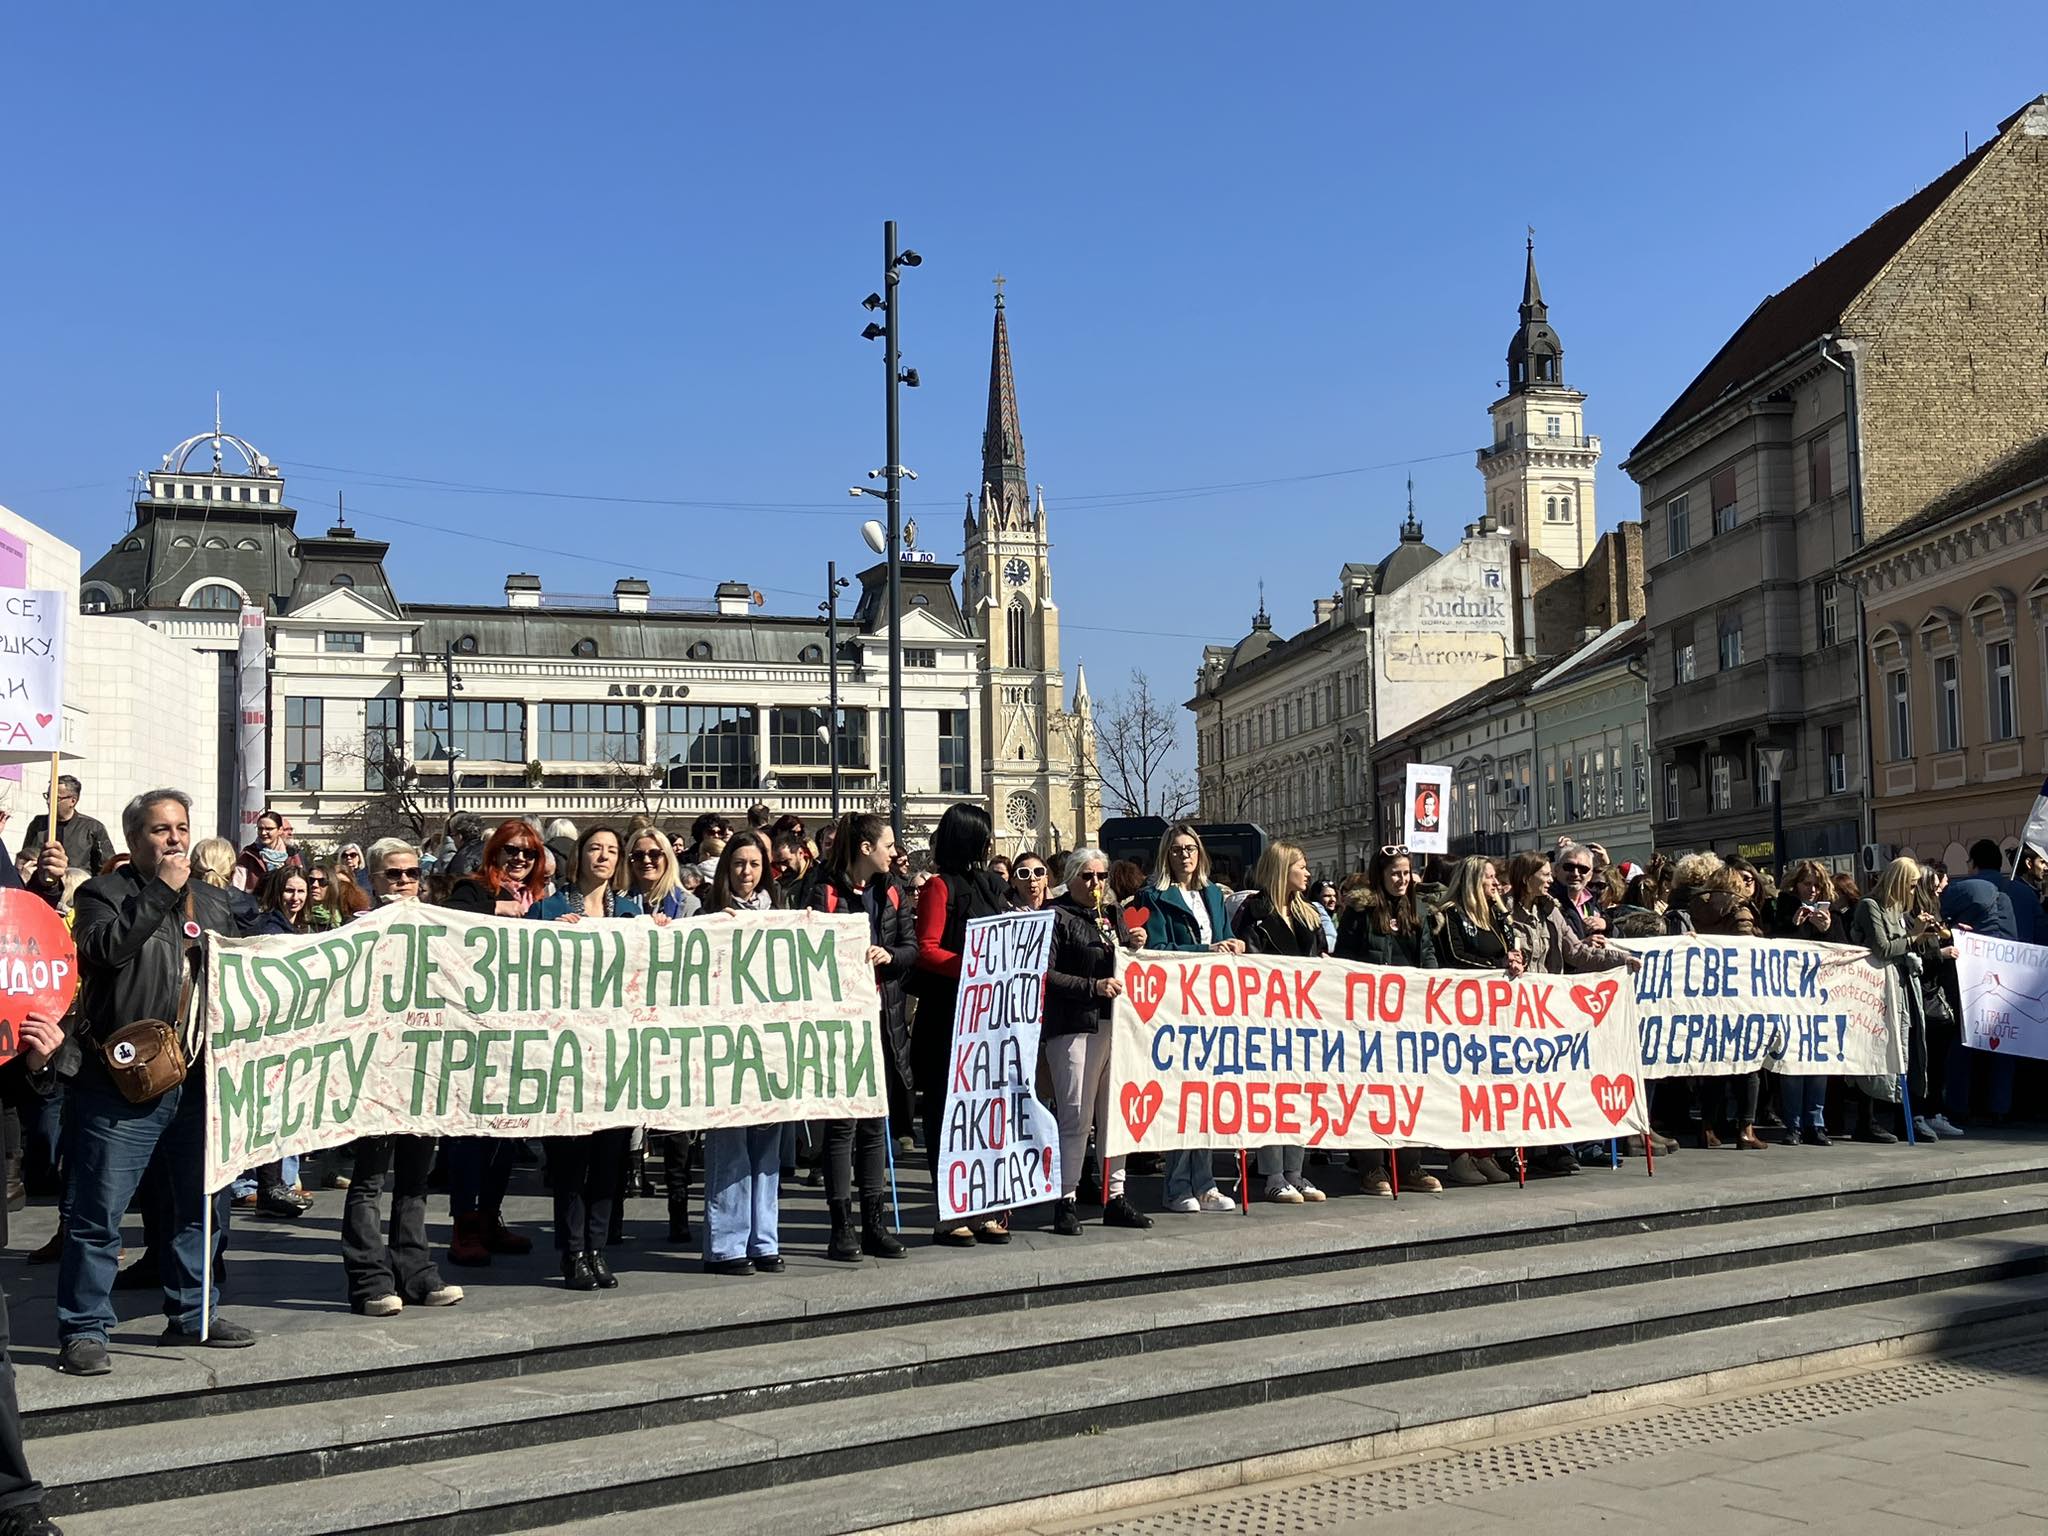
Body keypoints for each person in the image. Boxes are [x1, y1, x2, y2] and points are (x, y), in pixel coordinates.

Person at [58, 789, 255, 1375]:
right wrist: (163, 892)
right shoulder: (103, 894)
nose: (174, 838)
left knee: (200, 1205)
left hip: (195, 1080)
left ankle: (194, 1310)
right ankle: (85, 1330)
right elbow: (105, 951)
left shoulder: (213, 903)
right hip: (121, 1082)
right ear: (133, 840)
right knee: (99, 1213)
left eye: (181, 828)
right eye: (159, 829)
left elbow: (250, 968)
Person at [337, 839, 465, 1317]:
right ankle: (369, 1280)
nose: (405, 882)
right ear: (372, 879)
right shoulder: (354, 932)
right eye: (394, 874)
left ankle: (416, 1272)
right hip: (372, 1074)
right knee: (369, 1180)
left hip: (423, 1069)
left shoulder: (440, 931)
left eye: (412, 873)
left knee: (415, 1179)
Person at [529, 827, 640, 1289]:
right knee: (572, 1163)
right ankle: (572, 1252)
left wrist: (656, 936)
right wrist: (547, 937)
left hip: (616, 1056)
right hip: (567, 1056)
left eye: (612, 851)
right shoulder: (550, 910)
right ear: (579, 856)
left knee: (609, 1161)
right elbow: (523, 965)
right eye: (596, 848)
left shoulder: (632, 912)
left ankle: (597, 1248)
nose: (604, 856)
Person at [436, 820, 549, 1266]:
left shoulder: (538, 900)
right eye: (511, 852)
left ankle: (489, 1217)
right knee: (471, 1133)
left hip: (518, 1030)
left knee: (506, 1131)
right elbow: (445, 929)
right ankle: (463, 1224)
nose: (519, 860)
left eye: (528, 854)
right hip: (472, 1030)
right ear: (494, 855)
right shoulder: (473, 891)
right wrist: (494, 914)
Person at [808, 813, 913, 1261]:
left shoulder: (892, 890)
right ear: (866, 849)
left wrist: (888, 954)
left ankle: (875, 1221)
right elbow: (807, 948)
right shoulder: (823, 890)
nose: (895, 853)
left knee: (874, 1124)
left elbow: (910, 948)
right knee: (841, 1125)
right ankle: (840, 1226)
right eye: (889, 845)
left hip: (882, 1017)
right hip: (838, 1022)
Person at [912, 803, 1014, 1245]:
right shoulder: (939, 887)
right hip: (949, 1015)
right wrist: (975, 967)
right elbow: (928, 948)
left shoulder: (993, 884)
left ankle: (986, 1206)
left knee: (987, 1114)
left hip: (990, 1020)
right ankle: (950, 1210)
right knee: (947, 1116)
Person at [1133, 822, 1244, 1214]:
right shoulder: (1154, 896)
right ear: (1167, 854)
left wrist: (1234, 944)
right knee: (1181, 1096)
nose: (1185, 855)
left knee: (1208, 1095)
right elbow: (1159, 948)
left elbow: (1225, 932)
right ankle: (1178, 1184)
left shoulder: (1213, 893)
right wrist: (1205, 949)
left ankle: (1207, 1182)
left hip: (1213, 1004)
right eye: (1178, 848)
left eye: (1191, 848)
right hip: (1177, 1006)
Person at [1043, 848, 1149, 1235]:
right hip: (1074, 1025)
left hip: (1114, 1026)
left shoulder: (1112, 916)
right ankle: (1065, 1198)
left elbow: (1122, 964)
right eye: (1087, 876)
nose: (1096, 884)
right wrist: (1093, 986)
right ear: (1070, 877)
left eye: (1101, 877)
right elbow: (1045, 975)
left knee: (1115, 1115)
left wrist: (1134, 945)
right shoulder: (1057, 916)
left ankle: (1115, 1195)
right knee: (1075, 1116)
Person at [1333, 846, 1443, 1195]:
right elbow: (1345, 960)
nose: (1402, 879)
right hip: (1368, 1017)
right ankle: (1372, 1166)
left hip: (1408, 1017)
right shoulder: (1360, 911)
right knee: (1371, 1091)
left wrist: (1433, 988)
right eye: (1395, 873)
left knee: (1411, 1090)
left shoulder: (1419, 910)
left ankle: (1410, 1164)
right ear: (1381, 876)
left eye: (1406, 873)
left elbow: (1426, 954)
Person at [700, 830, 785, 1274]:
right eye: (738, 864)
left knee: (767, 1146)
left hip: (770, 1045)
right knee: (730, 1142)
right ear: (725, 869)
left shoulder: (783, 916)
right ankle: (727, 1243)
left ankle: (764, 1240)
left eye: (753, 865)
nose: (746, 872)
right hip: (725, 1045)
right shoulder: (707, 914)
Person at [1233, 841, 1328, 1205]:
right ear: (1282, 869)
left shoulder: (1310, 914)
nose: (1307, 873)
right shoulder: (1253, 912)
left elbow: (1321, 957)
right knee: (1272, 1094)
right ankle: (1273, 1173)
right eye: (1301, 866)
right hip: (1268, 1015)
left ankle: (1295, 1171)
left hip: (1305, 1016)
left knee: (1301, 1094)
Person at [1430, 856, 1518, 1187]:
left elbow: (1508, 947)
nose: (1496, 883)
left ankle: (1485, 1152)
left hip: (1491, 1016)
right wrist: (1496, 965)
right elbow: (1455, 956)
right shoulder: (1449, 914)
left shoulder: (1493, 916)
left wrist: (1511, 958)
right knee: (1463, 1085)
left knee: (1488, 1085)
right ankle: (1460, 1154)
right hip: (1460, 1014)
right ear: (1472, 881)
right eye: (1489, 879)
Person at [1849, 856, 1937, 1145]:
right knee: (1874, 1048)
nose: (1913, 892)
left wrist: (1918, 938)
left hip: (1900, 986)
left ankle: (1904, 1116)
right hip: (1874, 990)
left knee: (1905, 1047)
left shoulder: (1897, 909)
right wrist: (1913, 938)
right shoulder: (1870, 906)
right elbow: (1883, 947)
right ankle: (1867, 1119)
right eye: (1911, 886)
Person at [24, 773, 116, 877]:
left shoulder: (92, 828)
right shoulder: (38, 824)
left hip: (77, 888)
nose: (49, 802)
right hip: (41, 886)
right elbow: (25, 857)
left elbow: (106, 867)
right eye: (48, 796)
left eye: (56, 798)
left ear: (72, 801)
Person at [625, 827, 699, 921]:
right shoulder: (616, 902)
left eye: (655, 854)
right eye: (638, 855)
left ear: (667, 859)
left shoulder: (687, 903)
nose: (646, 860)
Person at [232, 809, 299, 894]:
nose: (263, 833)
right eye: (260, 829)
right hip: (254, 905)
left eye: (269, 829)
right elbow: (237, 888)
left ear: (280, 830)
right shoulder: (248, 854)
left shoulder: (292, 855)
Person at [439, 813, 487, 879]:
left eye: (453, 835)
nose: (452, 840)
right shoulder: (490, 849)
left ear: (459, 836)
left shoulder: (461, 860)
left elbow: (456, 884)